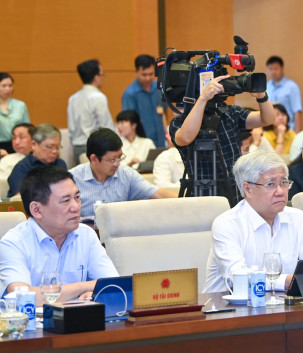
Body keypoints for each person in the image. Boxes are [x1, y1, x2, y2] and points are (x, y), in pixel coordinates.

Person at [203, 150, 303, 293]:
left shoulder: (298, 218)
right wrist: (285, 282)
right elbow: (238, 278)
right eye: (271, 184)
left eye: (284, 183)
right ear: (248, 189)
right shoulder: (227, 224)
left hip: (284, 307)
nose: (280, 191)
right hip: (228, 309)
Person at [0, 166, 119, 305]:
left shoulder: (86, 235)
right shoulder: (13, 243)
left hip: (80, 322)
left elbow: (114, 285)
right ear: (37, 210)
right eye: (65, 201)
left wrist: (91, 293)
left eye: (77, 197)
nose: (76, 207)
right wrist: (83, 286)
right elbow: (21, 297)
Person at [171, 74, 274, 206]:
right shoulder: (180, 121)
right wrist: (203, 98)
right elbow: (185, 138)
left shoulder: (229, 113)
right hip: (202, 196)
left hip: (234, 193)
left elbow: (267, 119)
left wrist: (261, 96)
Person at [70, 129, 176, 222]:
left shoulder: (126, 175)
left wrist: (188, 202)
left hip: (118, 236)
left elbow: (157, 194)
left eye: (120, 157)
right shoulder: (72, 179)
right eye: (112, 160)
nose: (118, 163)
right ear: (94, 159)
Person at [67, 59, 116, 164]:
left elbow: (71, 128)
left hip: (76, 148)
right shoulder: (98, 97)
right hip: (94, 149)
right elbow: (106, 127)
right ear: (96, 77)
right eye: (102, 75)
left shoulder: (73, 98)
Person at [7, 124, 67, 197]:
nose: (54, 151)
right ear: (34, 144)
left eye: (57, 147)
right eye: (49, 147)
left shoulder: (60, 164)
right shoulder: (22, 168)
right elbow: (21, 198)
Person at [121, 54, 167, 148]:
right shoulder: (130, 94)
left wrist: (167, 135)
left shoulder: (159, 89)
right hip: (142, 145)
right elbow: (128, 123)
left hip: (161, 141)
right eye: (144, 75)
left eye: (151, 74)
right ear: (136, 71)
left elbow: (162, 113)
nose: (148, 78)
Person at [265, 56, 303, 132]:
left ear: (282, 68)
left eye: (276, 69)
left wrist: (297, 133)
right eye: (270, 69)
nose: (273, 72)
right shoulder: (266, 86)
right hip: (270, 130)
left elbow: (297, 112)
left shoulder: (292, 86)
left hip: (288, 129)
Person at [0, 73, 30, 155]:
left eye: (10, 85)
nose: (8, 89)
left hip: (18, 145)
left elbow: (27, 128)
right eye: (4, 86)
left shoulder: (20, 105)